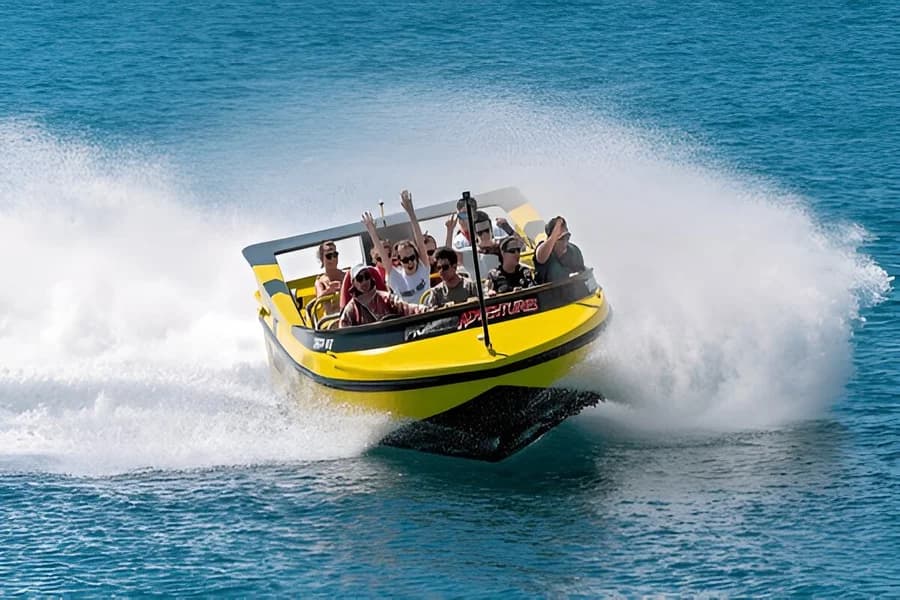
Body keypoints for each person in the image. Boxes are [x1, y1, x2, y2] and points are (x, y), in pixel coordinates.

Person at [362, 190, 431, 301]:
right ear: (399, 259)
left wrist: (411, 212)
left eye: (412, 257)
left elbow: (420, 242)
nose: (410, 262)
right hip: (410, 316)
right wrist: (372, 231)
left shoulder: (423, 267)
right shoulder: (394, 275)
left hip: (429, 312)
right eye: (405, 259)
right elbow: (382, 254)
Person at [339, 264, 427, 327]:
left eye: (367, 276)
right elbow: (344, 332)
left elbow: (407, 308)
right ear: (353, 283)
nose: (364, 281)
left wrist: (426, 309)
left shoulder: (386, 298)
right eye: (359, 279)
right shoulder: (351, 309)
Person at [533, 216, 585, 284]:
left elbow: (584, 276)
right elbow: (541, 258)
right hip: (548, 293)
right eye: (561, 238)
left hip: (575, 293)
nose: (565, 242)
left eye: (567, 237)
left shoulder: (574, 251)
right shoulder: (544, 251)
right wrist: (555, 232)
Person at [313, 240, 345, 313]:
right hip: (331, 320)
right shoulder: (320, 281)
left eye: (335, 255)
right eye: (329, 256)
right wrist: (330, 290)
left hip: (349, 318)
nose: (333, 259)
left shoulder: (346, 276)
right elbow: (319, 297)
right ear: (322, 259)